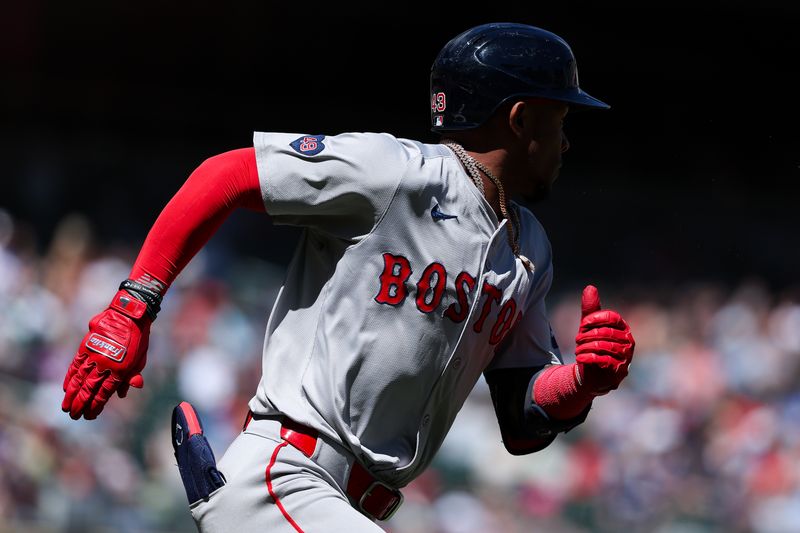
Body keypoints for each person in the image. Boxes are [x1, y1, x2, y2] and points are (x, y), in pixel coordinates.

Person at [62, 23, 635, 532]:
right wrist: (134, 304)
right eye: (559, 118)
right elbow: (227, 175)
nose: (566, 140)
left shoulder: (529, 247)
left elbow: (521, 417)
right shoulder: (397, 174)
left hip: (351, 508)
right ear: (519, 118)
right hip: (286, 478)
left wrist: (580, 383)